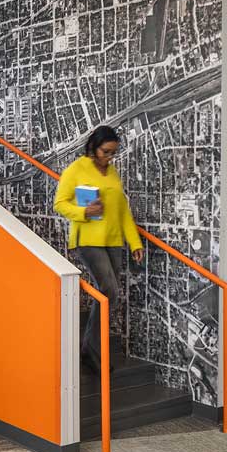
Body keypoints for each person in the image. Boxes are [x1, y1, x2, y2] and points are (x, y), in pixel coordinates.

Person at [54, 125, 143, 372]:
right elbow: (60, 204)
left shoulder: (112, 172)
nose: (110, 157)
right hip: (88, 240)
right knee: (109, 291)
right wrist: (85, 211)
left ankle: (89, 350)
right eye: (106, 152)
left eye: (113, 152)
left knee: (109, 295)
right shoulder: (76, 169)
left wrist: (134, 242)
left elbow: (122, 211)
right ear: (94, 148)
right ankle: (91, 352)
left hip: (113, 242)